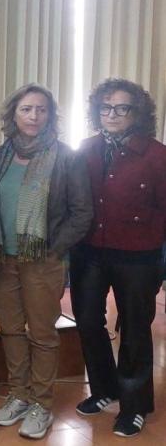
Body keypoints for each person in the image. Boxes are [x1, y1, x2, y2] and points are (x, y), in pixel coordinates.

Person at [0, 84, 92, 439]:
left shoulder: (66, 157)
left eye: (41, 109)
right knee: (11, 330)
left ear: (51, 115)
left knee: (43, 334)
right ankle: (19, 394)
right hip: (2, 259)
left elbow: (82, 213)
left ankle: (41, 404)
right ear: (13, 114)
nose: (34, 116)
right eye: (26, 109)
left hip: (43, 261)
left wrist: (53, 251)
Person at [69, 78, 166, 437]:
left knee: (135, 328)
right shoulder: (87, 149)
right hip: (89, 252)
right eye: (105, 108)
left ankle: (134, 405)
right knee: (87, 321)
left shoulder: (158, 156)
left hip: (138, 256)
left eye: (122, 108)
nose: (112, 114)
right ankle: (104, 389)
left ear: (137, 113)